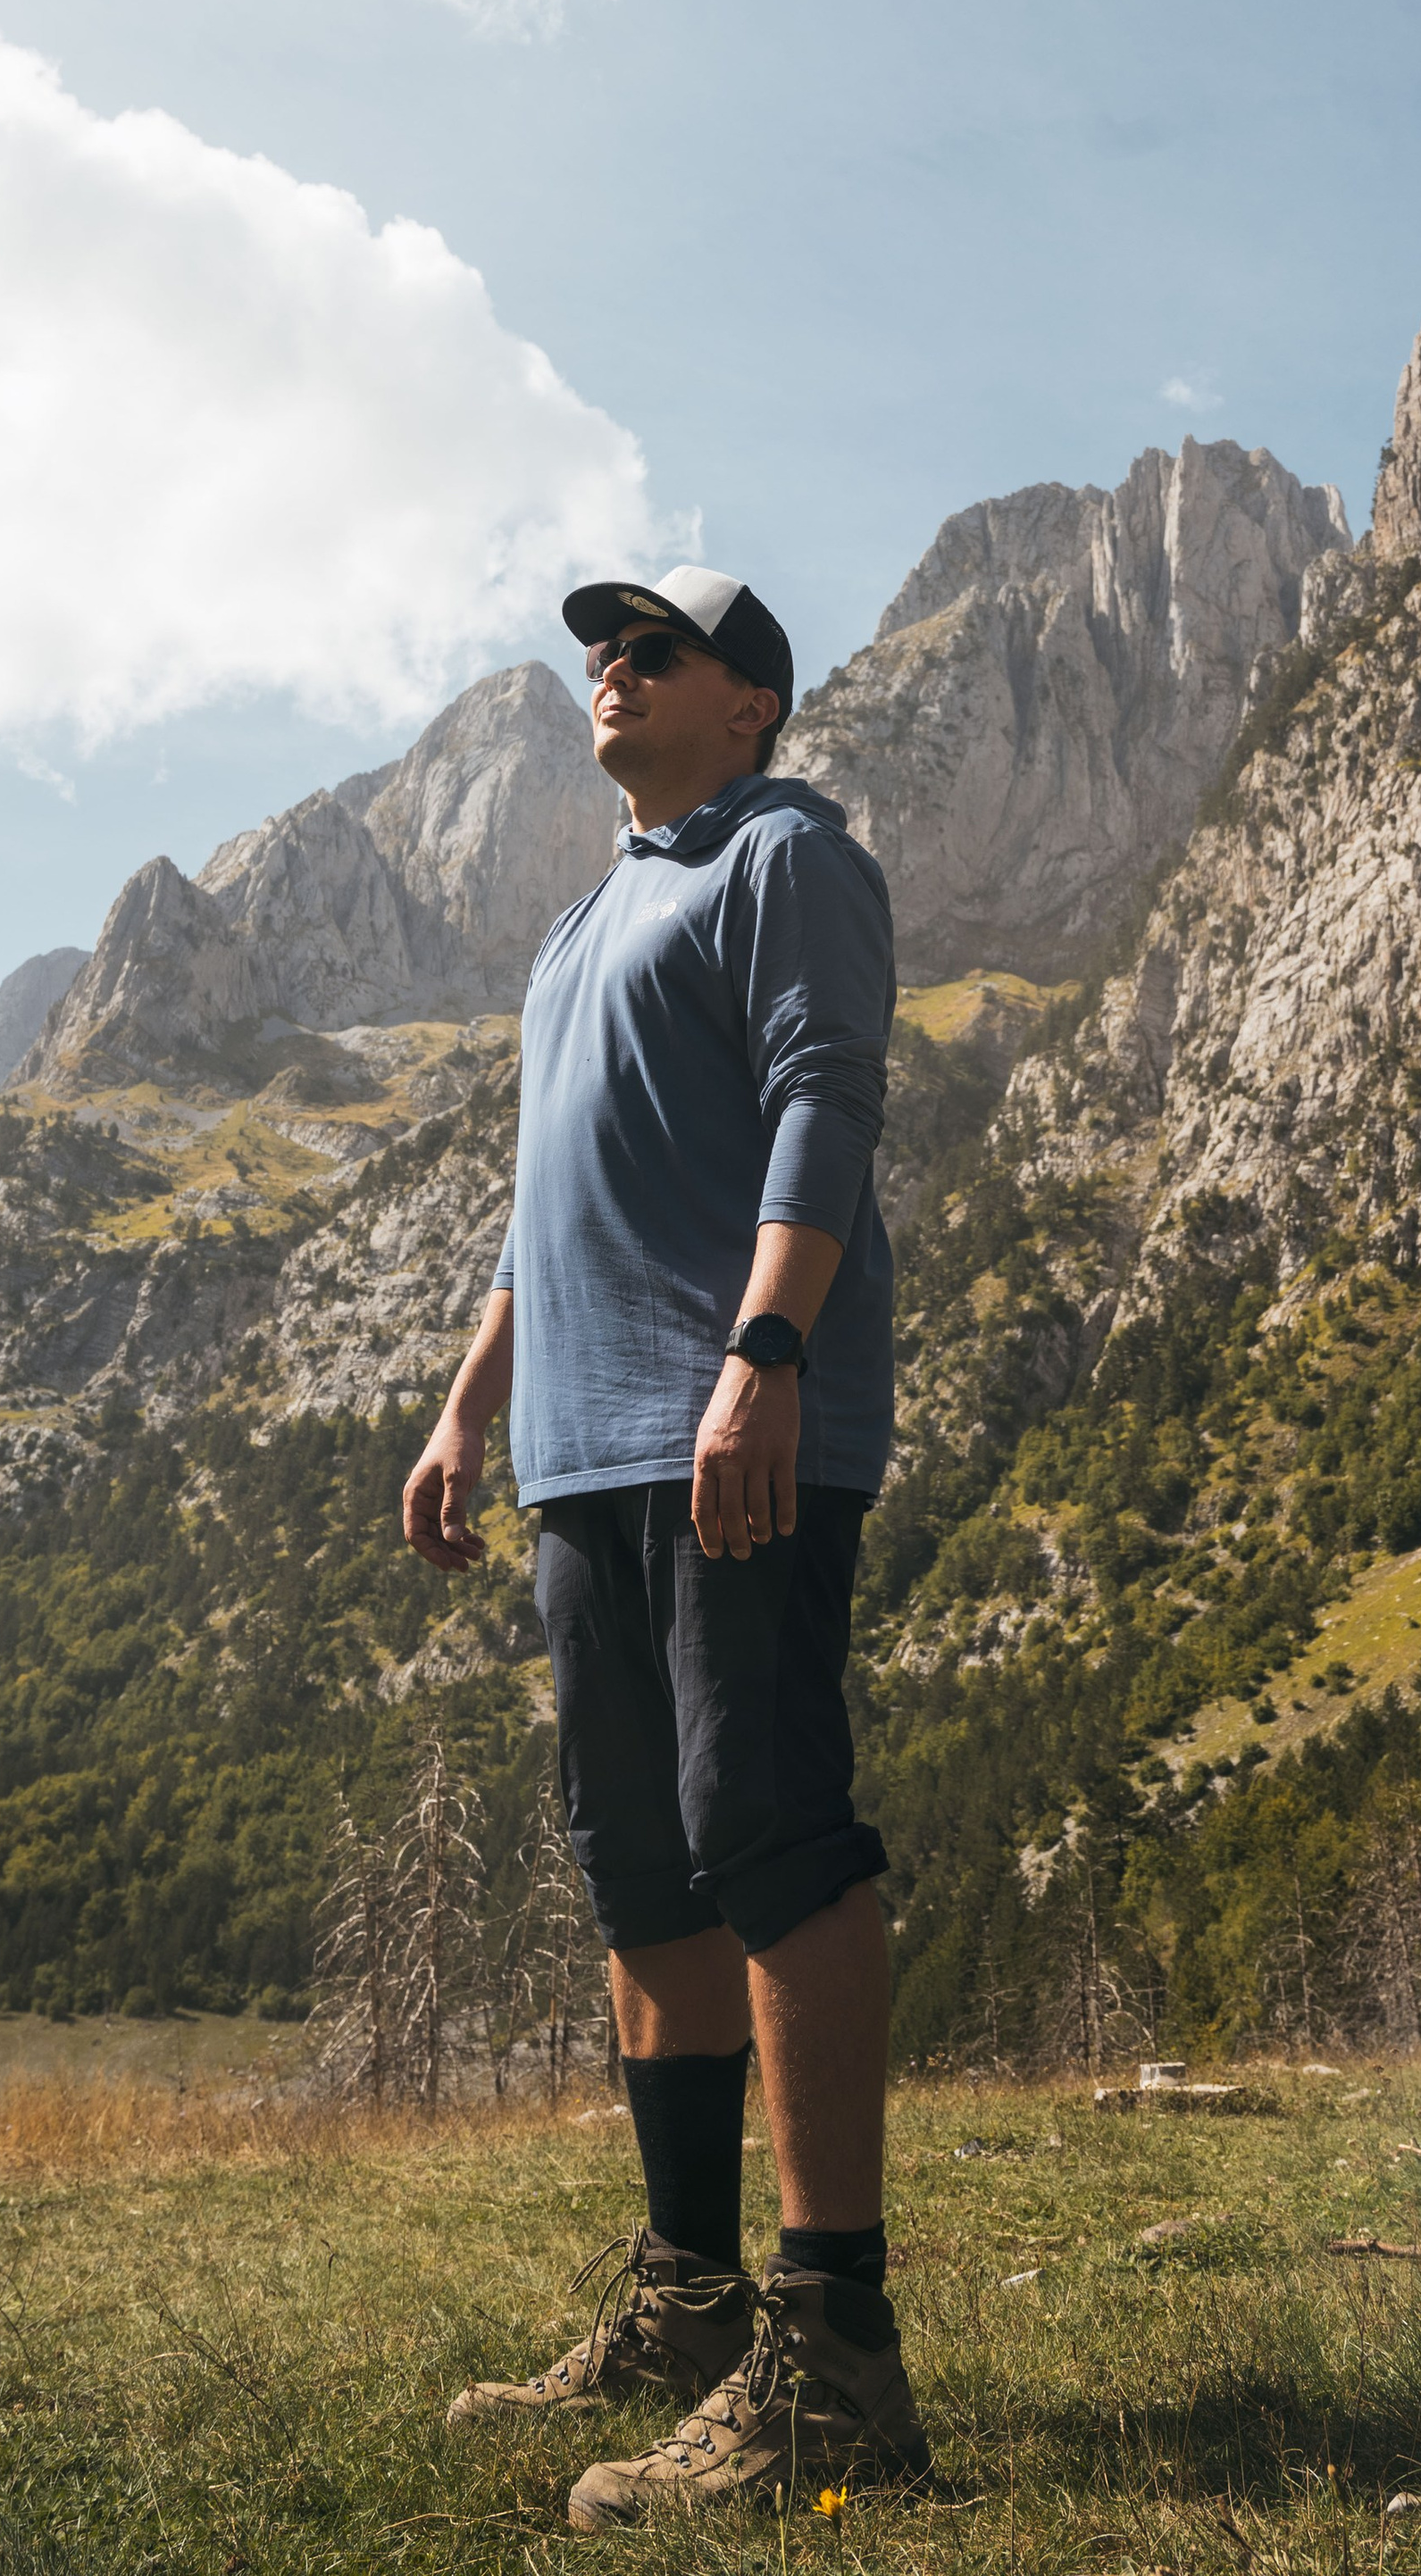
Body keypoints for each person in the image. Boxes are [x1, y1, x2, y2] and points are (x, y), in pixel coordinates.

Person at [401, 562, 927, 2534]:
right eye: (597, 652)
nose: (608, 675)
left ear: (751, 706)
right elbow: (552, 1197)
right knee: (640, 1870)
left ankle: (835, 2351)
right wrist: (467, 1411)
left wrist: (763, 1356)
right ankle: (690, 2302)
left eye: (656, 652)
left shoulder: (785, 857)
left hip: (733, 1429)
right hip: (577, 1454)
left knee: (770, 1829)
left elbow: (824, 1096)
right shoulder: (575, 927)